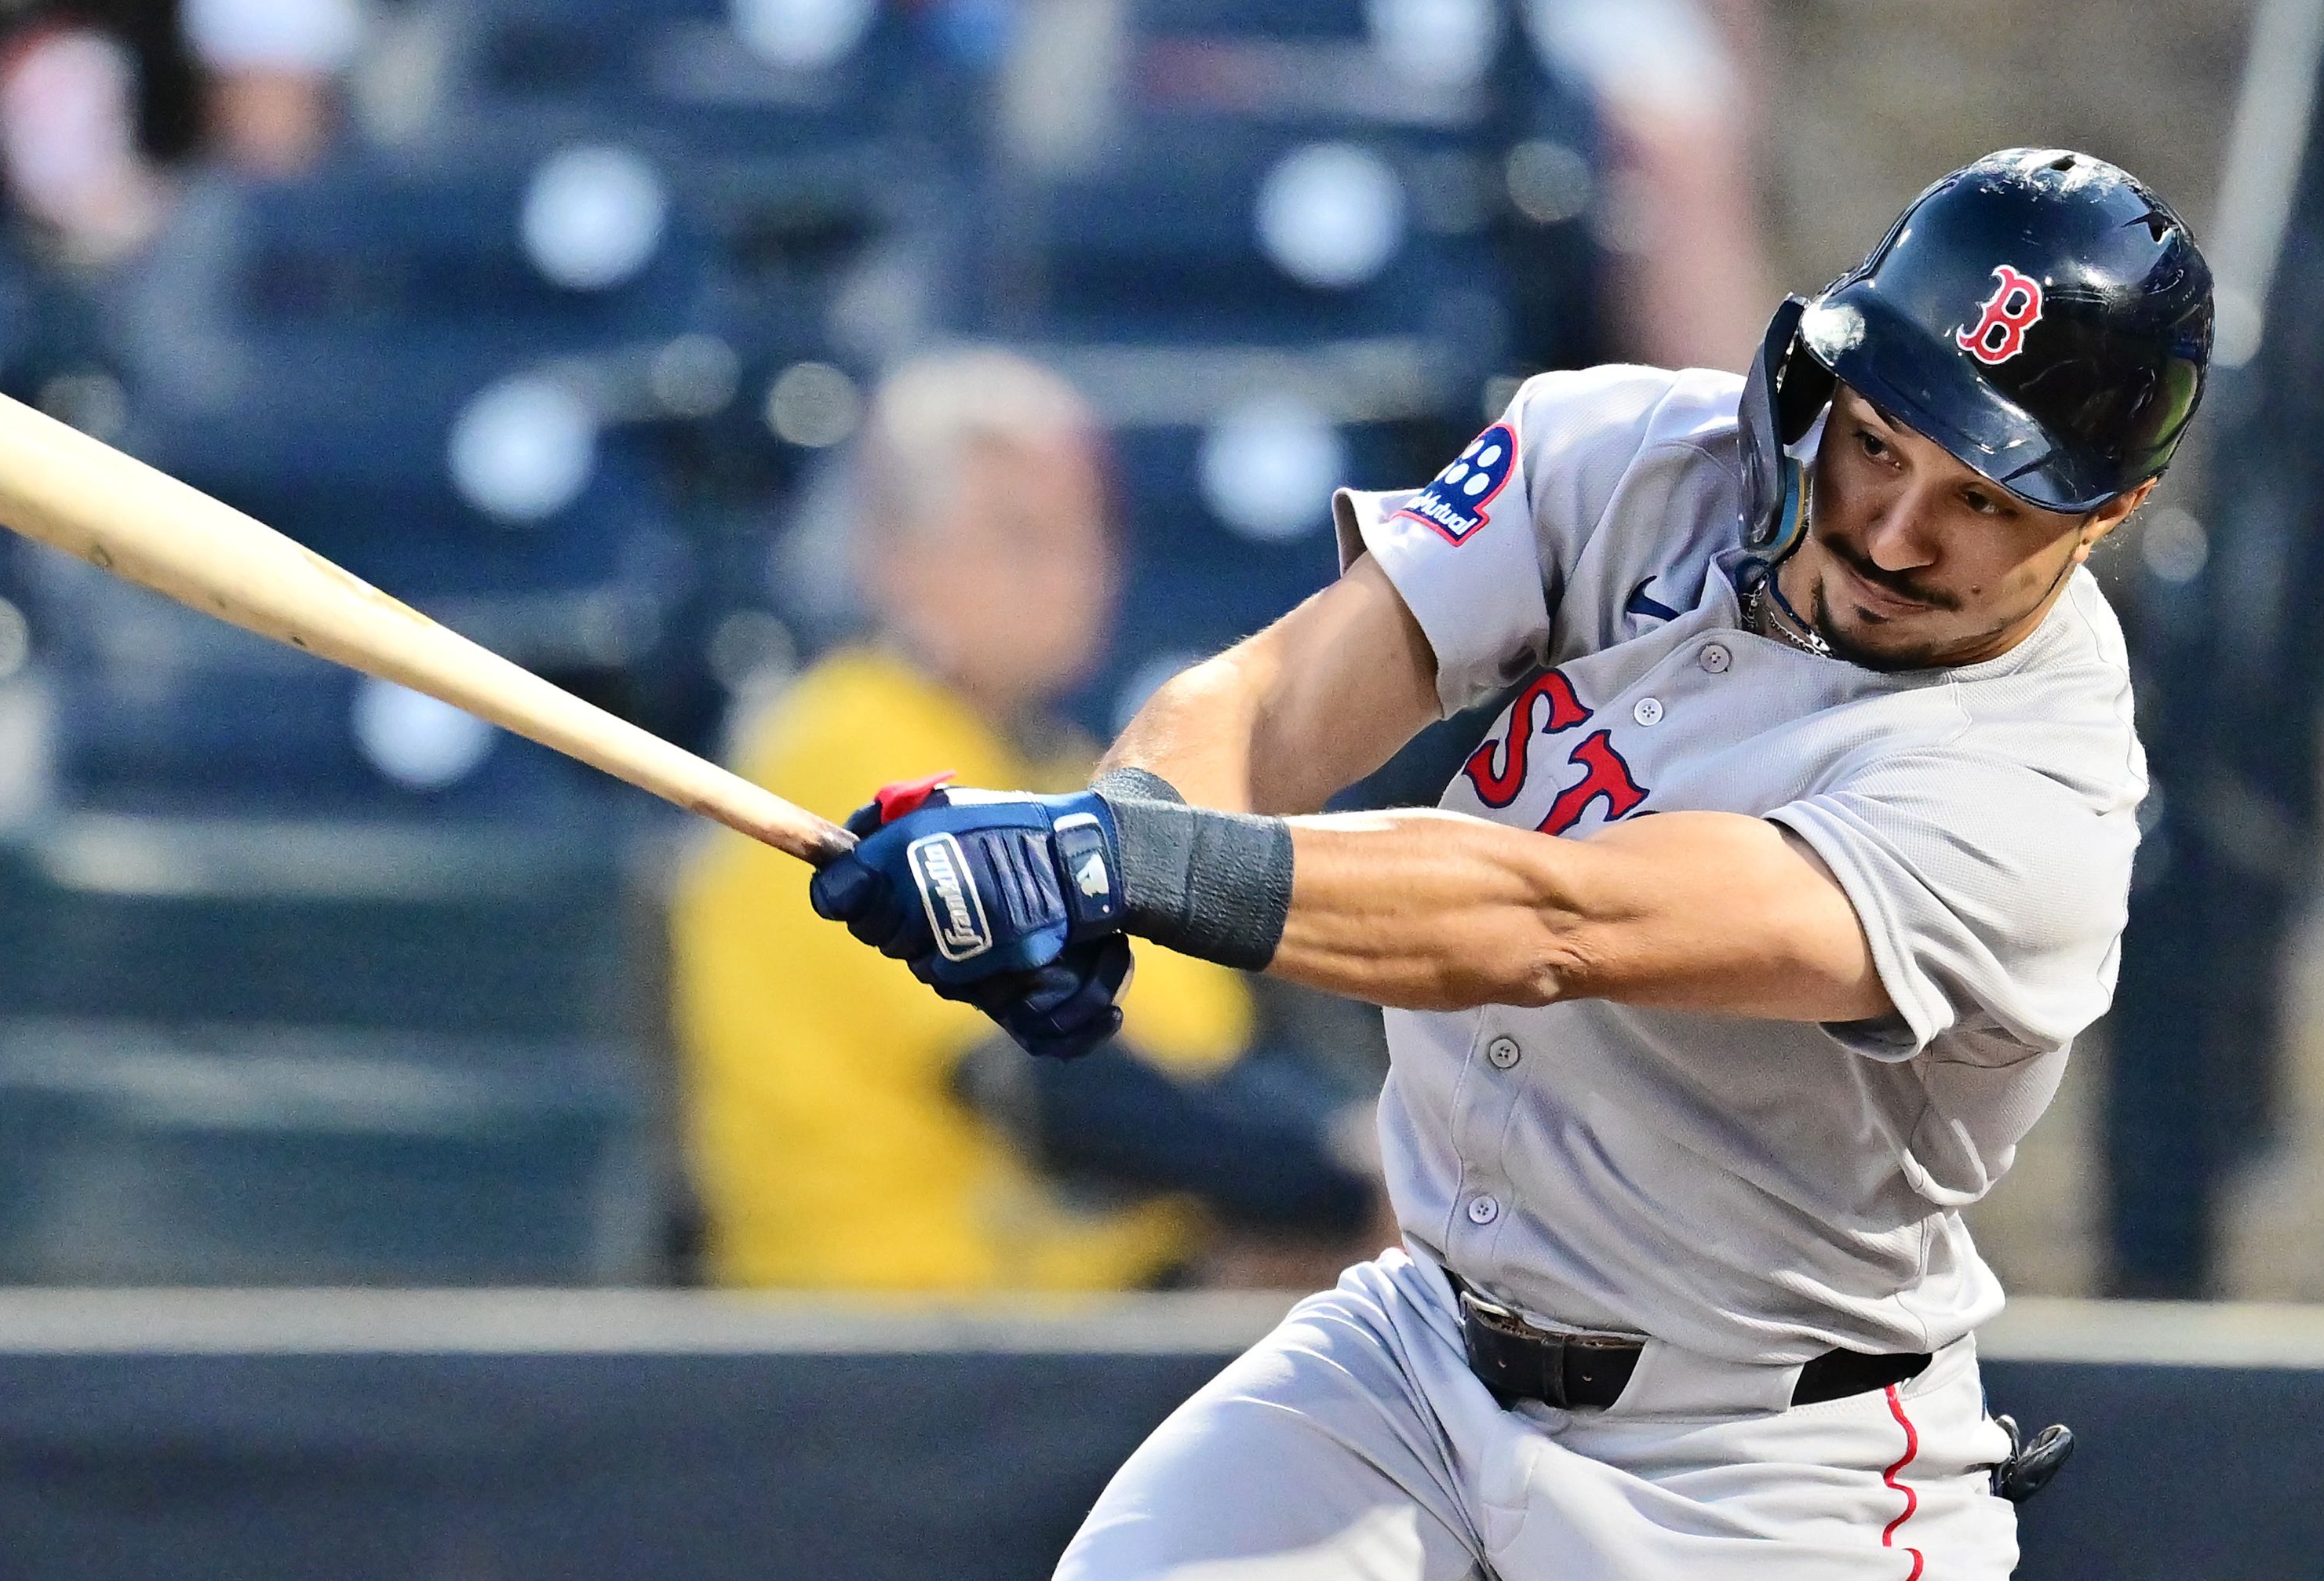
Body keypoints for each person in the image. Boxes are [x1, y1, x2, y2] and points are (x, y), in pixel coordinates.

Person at [807, 150, 2207, 1576]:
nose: (1897, 530)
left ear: (2107, 512)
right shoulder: (1630, 457)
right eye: (1878, 440)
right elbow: (1279, 704)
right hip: (1423, 1347)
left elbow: (1551, 922)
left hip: (1757, 1467)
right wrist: (1104, 849)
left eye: (1987, 501)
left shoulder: (2033, 792)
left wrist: (1129, 867)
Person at [676, 348, 1381, 1293]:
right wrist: (1341, 1187)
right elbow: (1060, 1090)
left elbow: (1206, 1076)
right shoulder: (843, 745)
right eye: (1020, 538)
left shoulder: (1063, 768)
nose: (1073, 574)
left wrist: (1336, 1165)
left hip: (1072, 1312)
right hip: (876, 1344)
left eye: (1091, 535)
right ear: (896, 557)